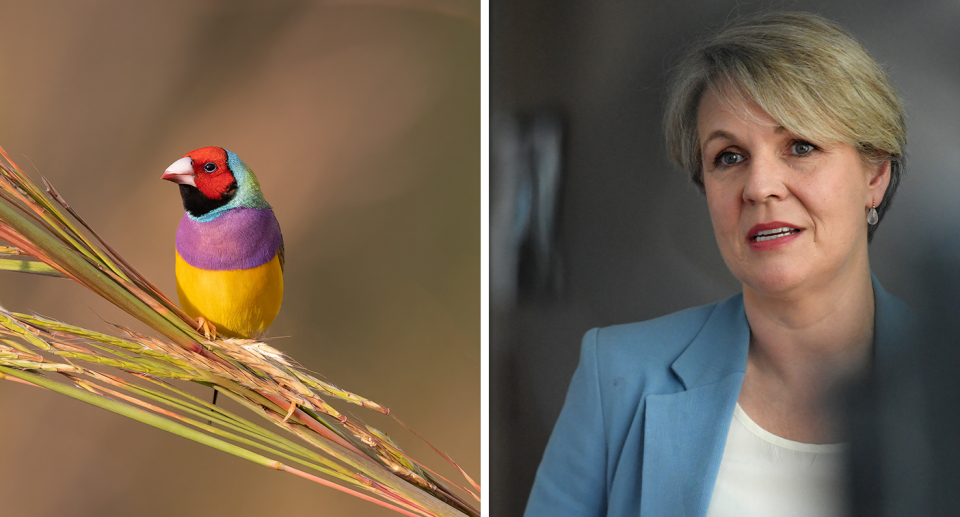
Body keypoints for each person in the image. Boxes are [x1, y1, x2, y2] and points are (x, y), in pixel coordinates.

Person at [524, 11, 913, 517]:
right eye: (729, 157)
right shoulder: (619, 376)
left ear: (875, 176)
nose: (759, 187)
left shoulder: (944, 377)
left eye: (799, 146)